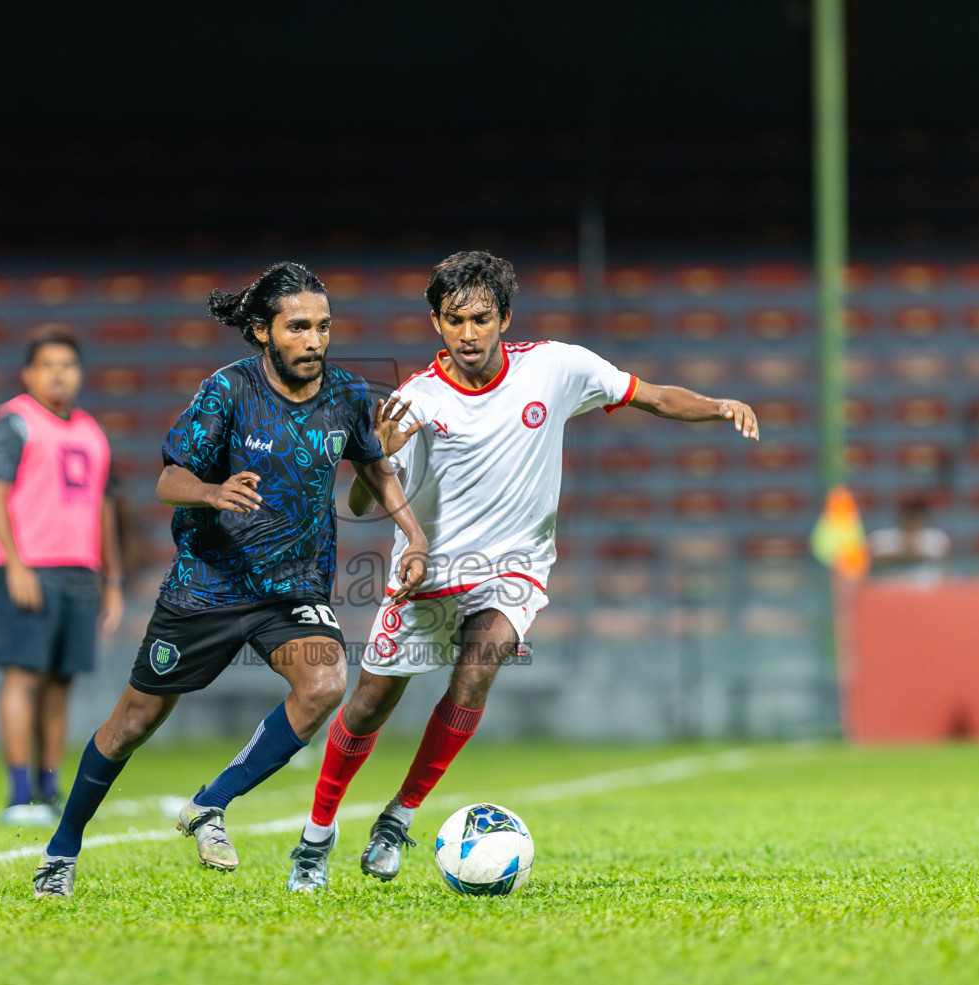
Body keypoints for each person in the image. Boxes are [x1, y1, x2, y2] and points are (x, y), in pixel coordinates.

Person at [285, 251, 761, 891]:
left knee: (480, 664)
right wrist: (375, 456)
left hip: (516, 566)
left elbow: (650, 396)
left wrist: (718, 404)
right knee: (370, 703)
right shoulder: (414, 400)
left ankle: (399, 818)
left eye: (481, 318)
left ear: (504, 318)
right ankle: (317, 836)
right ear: (437, 324)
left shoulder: (559, 368)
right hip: (429, 569)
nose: (469, 334)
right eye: (455, 320)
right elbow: (360, 503)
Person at [32, 262, 429, 898]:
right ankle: (61, 849)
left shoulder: (351, 395)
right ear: (262, 330)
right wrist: (212, 492)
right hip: (208, 586)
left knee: (324, 682)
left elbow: (375, 467)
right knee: (132, 723)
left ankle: (209, 804)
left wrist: (414, 534)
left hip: (292, 591)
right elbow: (169, 479)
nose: (315, 340)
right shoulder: (227, 391)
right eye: (298, 327)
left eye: (323, 326)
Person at [0, 325, 124, 822]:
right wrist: (15, 562)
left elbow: (106, 507)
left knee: (62, 682)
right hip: (30, 567)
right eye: (48, 365)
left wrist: (113, 580)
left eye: (67, 364)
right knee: (24, 676)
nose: (59, 374)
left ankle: (48, 788)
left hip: (81, 572)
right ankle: (18, 794)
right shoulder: (14, 422)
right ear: (28, 373)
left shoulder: (91, 431)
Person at [868, 493, 952, 577]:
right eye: (909, 514)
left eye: (917, 514)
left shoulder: (937, 537)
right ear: (900, 516)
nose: (912, 519)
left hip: (927, 585)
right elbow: (870, 564)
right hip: (889, 584)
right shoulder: (880, 538)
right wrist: (904, 553)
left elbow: (945, 565)